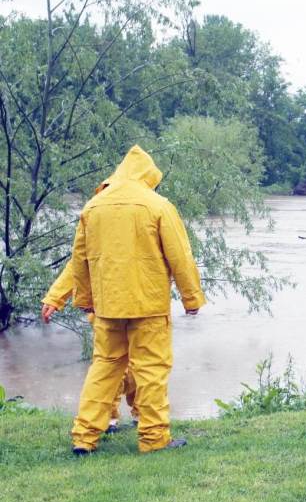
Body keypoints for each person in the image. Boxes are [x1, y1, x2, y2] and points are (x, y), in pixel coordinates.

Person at [70, 145, 205, 455]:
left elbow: (80, 258)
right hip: (149, 305)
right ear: (148, 175)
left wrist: (86, 300)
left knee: (104, 368)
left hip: (107, 306)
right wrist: (191, 297)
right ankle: (154, 438)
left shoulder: (92, 207)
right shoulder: (158, 205)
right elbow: (180, 256)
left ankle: (84, 437)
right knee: (151, 370)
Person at [42, 171, 139, 434]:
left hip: (138, 306)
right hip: (103, 309)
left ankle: (141, 414)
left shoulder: (140, 215)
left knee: (136, 366)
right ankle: (108, 417)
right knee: (110, 366)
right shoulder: (97, 219)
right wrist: (56, 297)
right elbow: (77, 263)